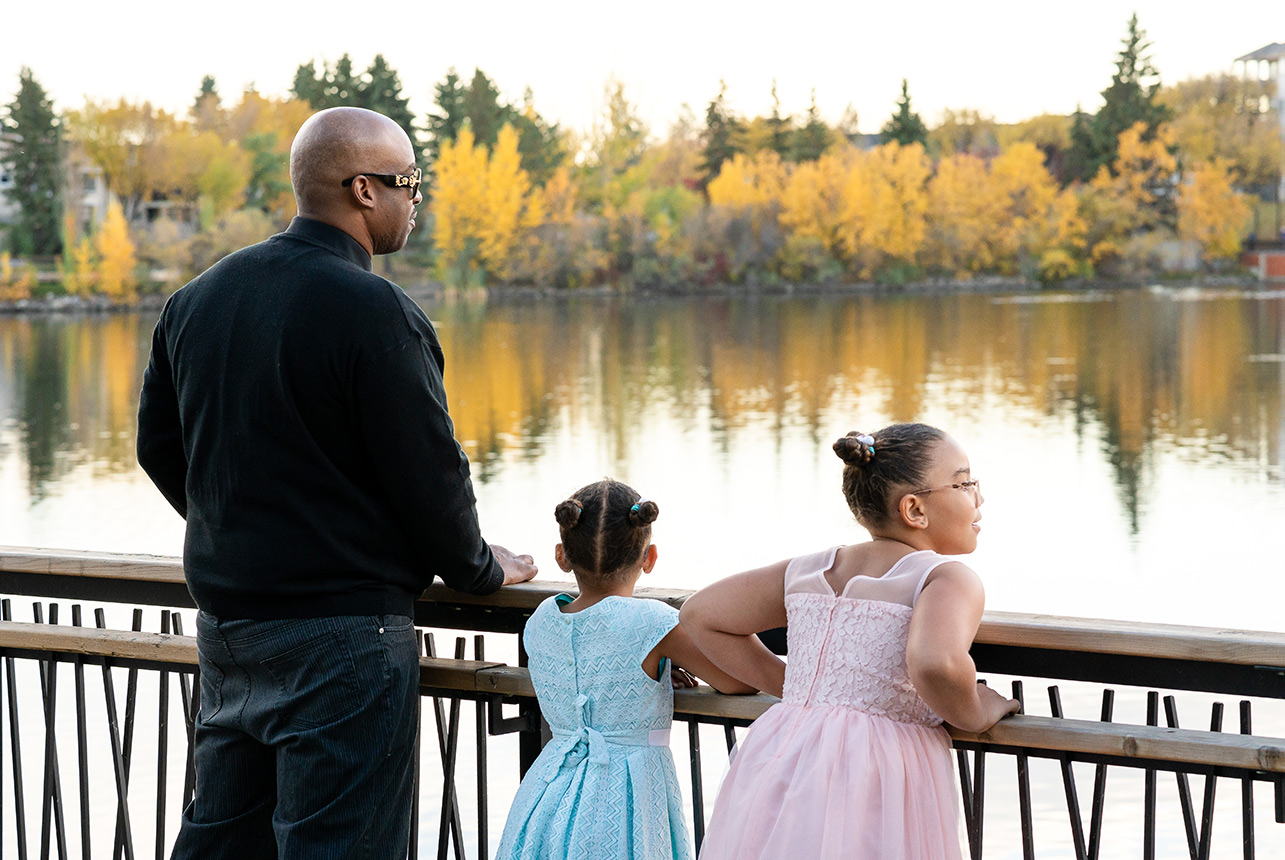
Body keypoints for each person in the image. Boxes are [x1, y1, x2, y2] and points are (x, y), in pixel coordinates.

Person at [136, 106, 537, 860]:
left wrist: (241, 533)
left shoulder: (197, 300)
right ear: (363, 189)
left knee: (222, 846)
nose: (415, 198)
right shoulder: (375, 311)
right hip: (343, 644)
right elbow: (429, 475)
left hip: (231, 629)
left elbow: (157, 445)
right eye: (407, 182)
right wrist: (481, 568)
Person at [680, 424, 1019, 860]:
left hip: (783, 752)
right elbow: (935, 664)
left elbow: (700, 614)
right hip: (875, 769)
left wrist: (799, 690)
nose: (979, 496)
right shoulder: (943, 577)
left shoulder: (809, 570)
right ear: (914, 509)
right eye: (964, 482)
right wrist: (980, 709)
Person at [496, 479, 754, 860]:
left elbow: (596, 670)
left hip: (547, 795)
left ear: (562, 556)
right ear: (648, 558)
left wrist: (657, 672)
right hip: (627, 797)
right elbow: (738, 681)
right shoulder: (651, 623)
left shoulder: (541, 621)